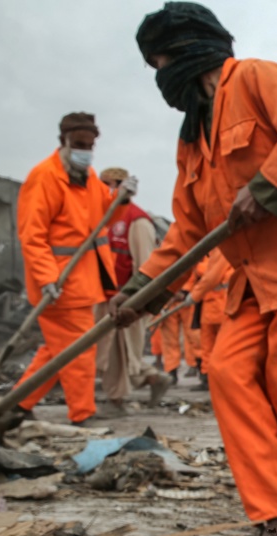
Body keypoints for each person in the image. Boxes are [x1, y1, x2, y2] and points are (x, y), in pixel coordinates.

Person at [113, 3, 277, 536]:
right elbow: (186, 230)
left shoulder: (254, 78)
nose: (161, 79)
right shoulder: (191, 137)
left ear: (185, 52)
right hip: (254, 282)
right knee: (227, 370)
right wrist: (141, 290)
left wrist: (268, 186)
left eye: (160, 63)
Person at [16, 112, 133, 425]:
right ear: (63, 142)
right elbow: (32, 234)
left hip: (83, 282)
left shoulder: (88, 177)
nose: (86, 151)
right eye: (80, 144)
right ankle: (83, 414)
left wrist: (120, 199)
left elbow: (101, 217)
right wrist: (46, 278)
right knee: (79, 351)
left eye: (90, 145)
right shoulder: (45, 177)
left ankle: (18, 404)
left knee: (58, 350)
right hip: (59, 284)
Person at [94, 166, 170, 412]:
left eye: (108, 185)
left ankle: (116, 400)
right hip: (103, 295)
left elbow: (147, 264)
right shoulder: (103, 217)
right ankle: (152, 378)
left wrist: (136, 300)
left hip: (126, 299)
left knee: (119, 352)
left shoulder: (136, 220)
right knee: (111, 351)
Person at [186, 249, 234, 391]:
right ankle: (207, 378)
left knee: (222, 346)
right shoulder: (210, 255)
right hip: (210, 307)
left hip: (220, 306)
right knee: (207, 345)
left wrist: (194, 295)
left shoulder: (220, 253)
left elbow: (210, 277)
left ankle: (222, 379)